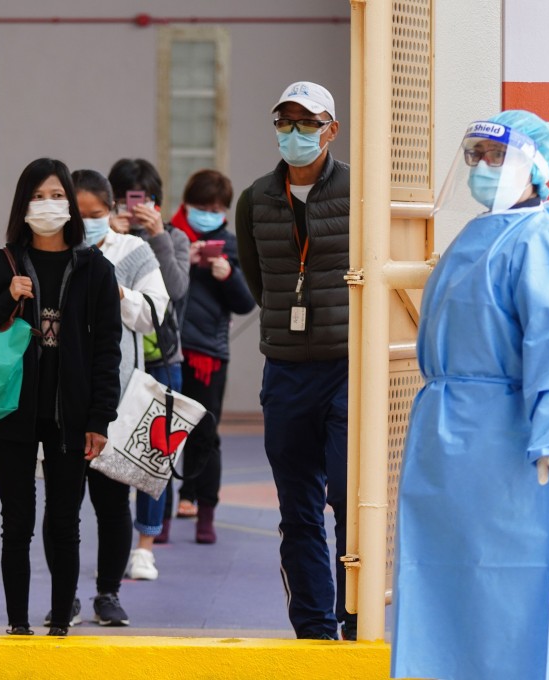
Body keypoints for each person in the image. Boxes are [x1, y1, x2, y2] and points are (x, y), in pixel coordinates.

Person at [392, 111, 549, 680]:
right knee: (437, 580)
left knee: (513, 593)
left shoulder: (542, 240)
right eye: (475, 155)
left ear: (535, 166)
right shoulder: (476, 234)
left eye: (496, 155)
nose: (483, 167)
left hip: (508, 444)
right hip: (444, 440)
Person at [0, 158, 122, 637]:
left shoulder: (95, 268)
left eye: (57, 195)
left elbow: (107, 349)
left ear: (71, 206)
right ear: (23, 205)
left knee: (65, 522)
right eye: (38, 197)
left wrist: (100, 418)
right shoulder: (0, 263)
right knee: (16, 523)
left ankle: (60, 623)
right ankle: (18, 623)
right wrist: (6, 299)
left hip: (72, 416)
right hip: (15, 410)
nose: (48, 205)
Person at [235, 81, 353, 640]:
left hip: (344, 366)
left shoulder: (358, 192)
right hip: (284, 369)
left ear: (331, 129)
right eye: (285, 122)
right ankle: (313, 628)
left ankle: (354, 619)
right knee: (299, 510)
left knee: (348, 497)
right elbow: (259, 280)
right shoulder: (256, 197)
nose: (295, 133)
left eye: (307, 123)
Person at [66, 168, 168, 622]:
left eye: (97, 213)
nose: (89, 221)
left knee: (112, 505)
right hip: (63, 398)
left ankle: (108, 594)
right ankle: (62, 597)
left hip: (117, 401)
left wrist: (117, 289)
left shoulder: (134, 250)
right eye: (79, 213)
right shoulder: (54, 250)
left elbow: (152, 315)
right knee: (62, 508)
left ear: (111, 210)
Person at [107, 158, 191, 570]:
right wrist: (109, 237)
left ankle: (145, 547)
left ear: (156, 202)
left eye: (144, 199)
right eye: (126, 199)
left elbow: (176, 291)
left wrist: (156, 237)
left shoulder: (173, 237)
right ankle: (117, 544)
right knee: (110, 453)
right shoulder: (106, 238)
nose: (136, 207)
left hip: (163, 360)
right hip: (116, 361)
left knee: (154, 454)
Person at [169, 168, 256, 546]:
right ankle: (159, 517)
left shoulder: (230, 244)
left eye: (216, 208)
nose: (208, 213)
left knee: (205, 434)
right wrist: (179, 261)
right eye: (202, 206)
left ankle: (206, 512)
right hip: (168, 350)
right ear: (187, 204)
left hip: (208, 355)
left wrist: (228, 274)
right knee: (163, 434)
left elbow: (246, 302)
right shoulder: (168, 237)